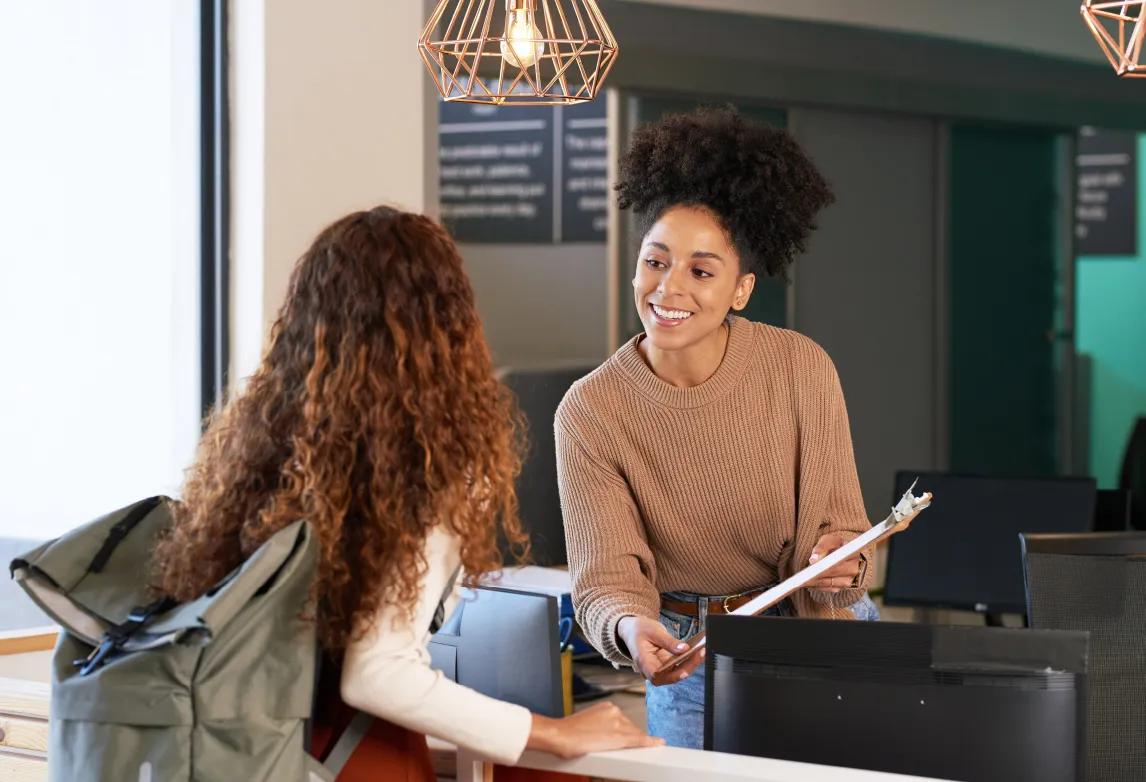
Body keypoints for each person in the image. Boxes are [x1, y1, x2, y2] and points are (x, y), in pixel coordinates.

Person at [151, 206, 660, 779]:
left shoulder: (268, 445)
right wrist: (552, 733)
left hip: (256, 744)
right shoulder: (425, 463)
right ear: (447, 323)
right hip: (352, 756)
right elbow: (379, 672)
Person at [556, 107, 879, 750]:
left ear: (741, 289)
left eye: (701, 271)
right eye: (655, 261)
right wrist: (627, 628)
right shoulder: (591, 411)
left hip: (820, 638)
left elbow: (846, 530)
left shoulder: (799, 368)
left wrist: (841, 559)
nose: (668, 288)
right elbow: (606, 582)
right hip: (690, 654)